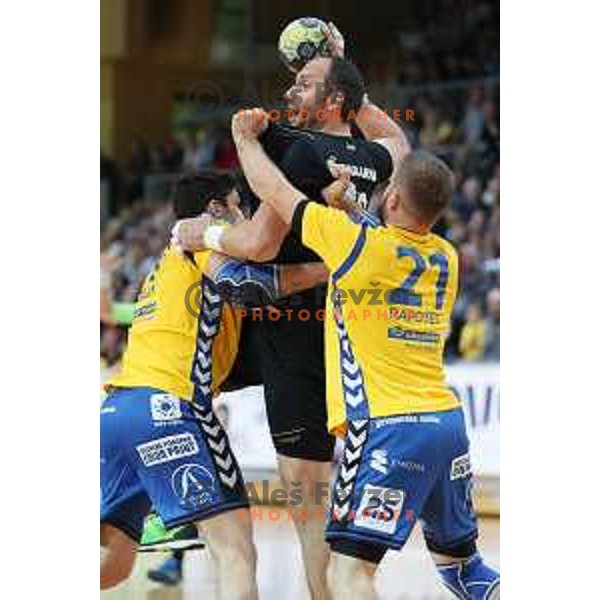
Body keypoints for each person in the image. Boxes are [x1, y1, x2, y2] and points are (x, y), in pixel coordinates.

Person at [228, 108, 500, 600]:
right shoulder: (445, 255)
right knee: (465, 571)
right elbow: (384, 233)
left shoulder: (357, 247)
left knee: (348, 575)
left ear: (392, 197)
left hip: (387, 431)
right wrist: (349, 206)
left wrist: (245, 141)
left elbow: (277, 193)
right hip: (446, 427)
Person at [173, 55, 409, 599]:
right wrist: (354, 80)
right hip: (345, 329)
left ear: (332, 103)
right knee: (323, 495)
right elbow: (396, 137)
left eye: (304, 84)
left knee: (307, 505)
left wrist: (202, 229)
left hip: (292, 332)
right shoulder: (375, 156)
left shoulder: (302, 151)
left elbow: (258, 243)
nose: (290, 90)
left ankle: (159, 478)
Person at [100, 170, 328, 597]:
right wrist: (325, 269)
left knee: (113, 562)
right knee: (236, 551)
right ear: (215, 210)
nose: (245, 213)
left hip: (116, 411)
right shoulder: (204, 238)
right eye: (239, 202)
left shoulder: (164, 266)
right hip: (172, 406)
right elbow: (249, 283)